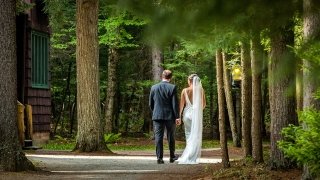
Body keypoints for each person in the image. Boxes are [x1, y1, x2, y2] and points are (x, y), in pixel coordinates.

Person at [149, 70, 181, 164]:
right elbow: (175, 104)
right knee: (171, 136)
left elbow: (151, 103)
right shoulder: (172, 87)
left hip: (157, 115)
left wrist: (155, 112)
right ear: (170, 77)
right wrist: (177, 117)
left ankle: (159, 158)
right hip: (169, 116)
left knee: (158, 137)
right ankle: (172, 157)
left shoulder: (154, 87)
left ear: (162, 76)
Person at [178, 74, 206, 164]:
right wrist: (197, 110)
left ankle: (188, 155)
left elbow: (181, 105)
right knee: (196, 135)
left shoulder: (184, 90)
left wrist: (178, 116)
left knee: (188, 134)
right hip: (196, 115)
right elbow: (204, 104)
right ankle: (192, 157)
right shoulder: (201, 90)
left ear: (189, 81)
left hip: (187, 114)